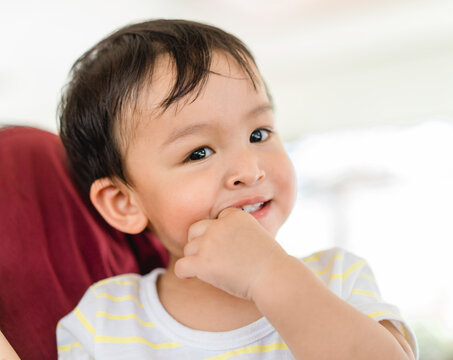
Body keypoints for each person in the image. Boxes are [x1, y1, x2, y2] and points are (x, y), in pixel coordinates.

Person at [56, 19, 418, 359]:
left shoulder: (337, 279)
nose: (250, 169)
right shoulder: (103, 321)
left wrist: (268, 274)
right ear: (124, 203)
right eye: (199, 152)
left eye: (258, 134)